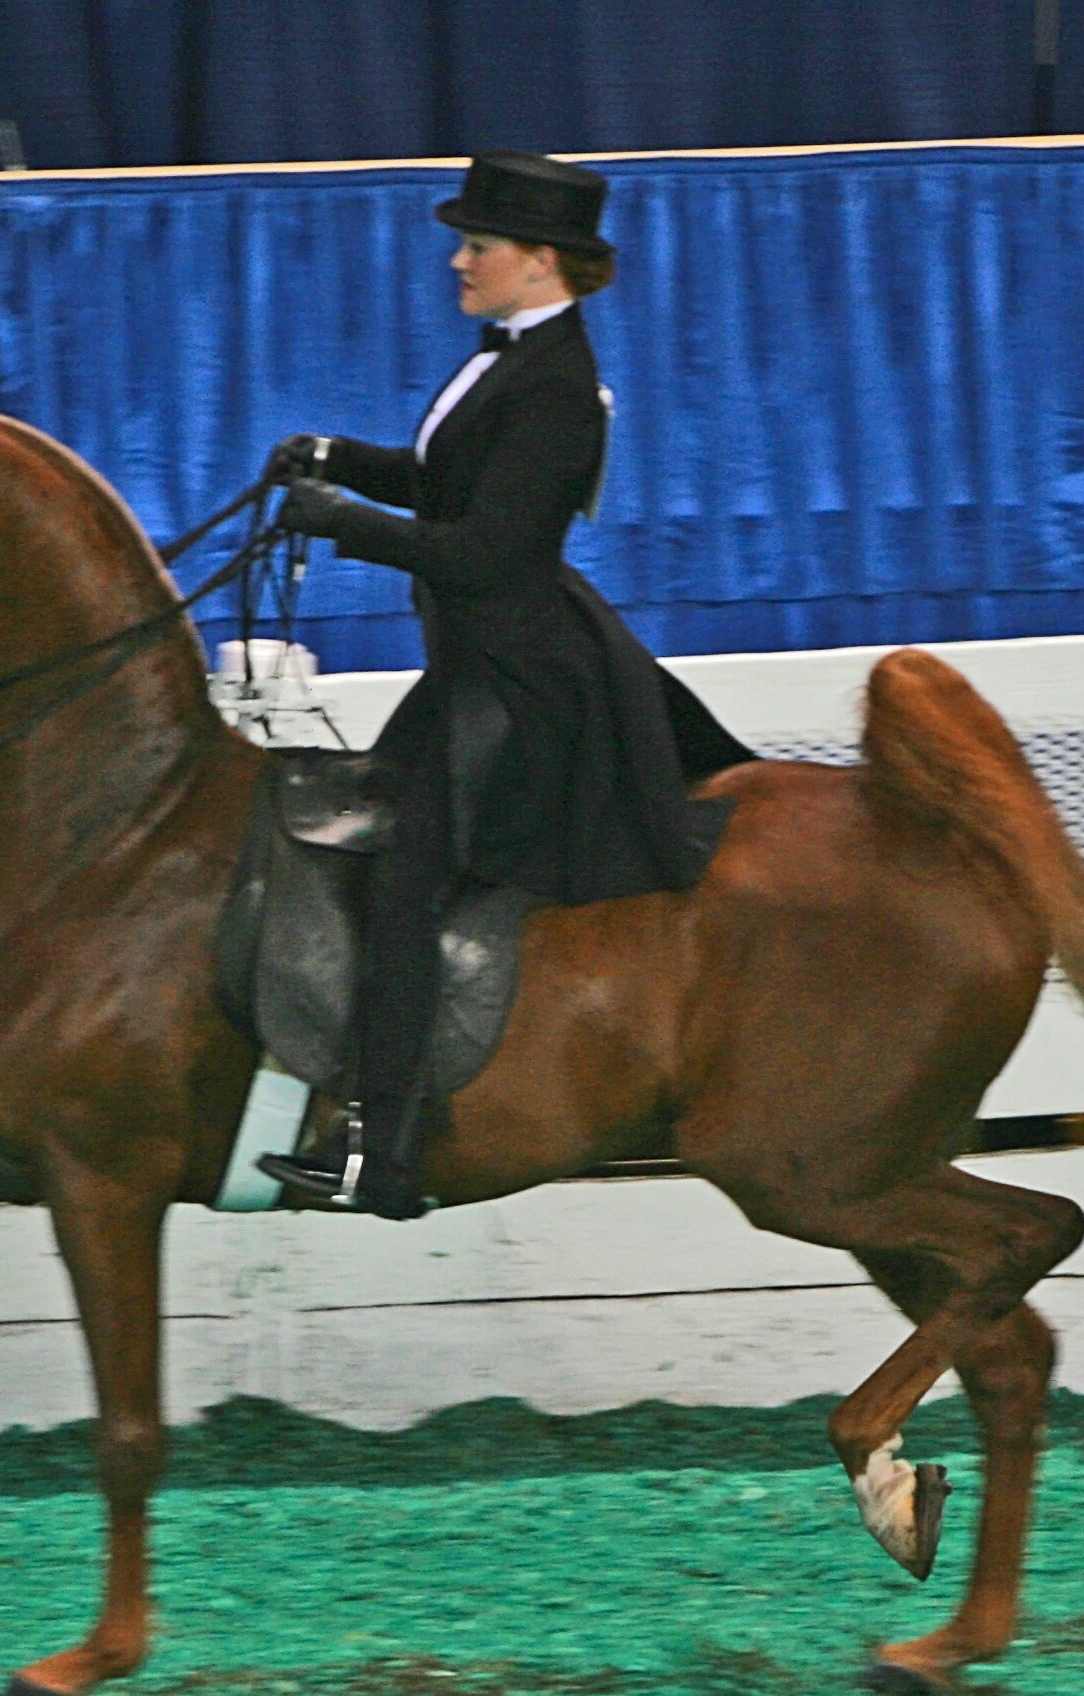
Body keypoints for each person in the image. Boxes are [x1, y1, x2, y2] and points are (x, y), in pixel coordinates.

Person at [254, 151, 752, 1219]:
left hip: (523, 687)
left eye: (477, 245)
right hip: (475, 666)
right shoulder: (507, 362)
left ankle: (379, 1158)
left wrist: (340, 525)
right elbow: (443, 484)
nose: (457, 259)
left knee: (404, 881)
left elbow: (485, 553)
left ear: (540, 262)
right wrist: (337, 459)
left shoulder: (560, 389)